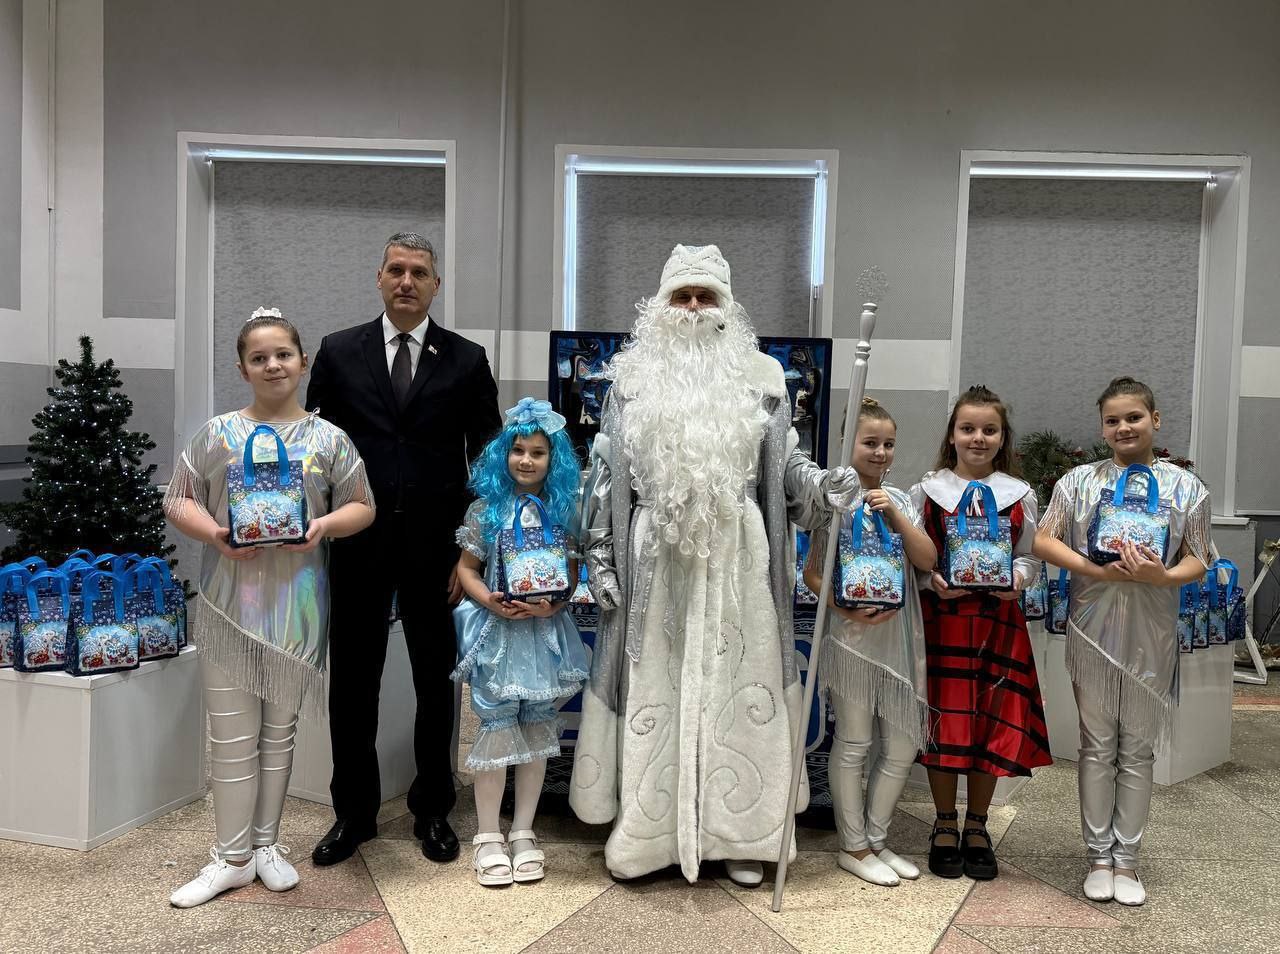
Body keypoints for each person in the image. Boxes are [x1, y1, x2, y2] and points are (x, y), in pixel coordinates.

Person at [569, 244, 853, 887]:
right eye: (683, 295)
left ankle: (742, 836)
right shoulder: (630, 380)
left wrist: (820, 487)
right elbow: (605, 479)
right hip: (656, 560)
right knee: (655, 692)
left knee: (741, 691)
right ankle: (649, 836)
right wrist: (602, 558)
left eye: (706, 296)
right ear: (662, 304)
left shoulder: (763, 378)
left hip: (739, 562)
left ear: (726, 306)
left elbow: (783, 467)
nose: (694, 307)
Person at [164, 308, 375, 907]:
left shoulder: (329, 439)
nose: (272, 365)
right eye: (259, 358)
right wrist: (215, 534)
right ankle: (229, 857)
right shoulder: (216, 435)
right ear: (242, 369)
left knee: (279, 736)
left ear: (302, 362)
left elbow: (363, 505)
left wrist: (322, 526)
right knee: (232, 738)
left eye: (283, 354)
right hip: (230, 608)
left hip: (298, 610)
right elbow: (178, 499)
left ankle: (265, 847)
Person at [306, 232, 501, 866]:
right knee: (352, 683)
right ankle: (352, 812)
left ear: (436, 285)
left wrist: (469, 554)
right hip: (356, 545)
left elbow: (488, 465)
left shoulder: (467, 360)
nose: (407, 281)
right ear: (379, 278)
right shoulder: (338, 352)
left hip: (435, 551)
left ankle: (434, 808)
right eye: (396, 270)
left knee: (434, 682)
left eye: (419, 272)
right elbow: (316, 451)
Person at [1034, 376, 1210, 906]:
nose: (1123, 428)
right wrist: (1094, 569)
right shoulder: (1078, 482)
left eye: (1133, 417)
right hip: (1092, 628)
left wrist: (1164, 576)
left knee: (1137, 748)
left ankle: (1127, 861)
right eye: (1112, 420)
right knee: (1096, 744)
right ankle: (1097, 857)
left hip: (1152, 631)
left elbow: (1201, 558)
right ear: (1102, 427)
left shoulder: (1187, 488)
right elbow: (1043, 539)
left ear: (1155, 419)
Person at [910, 385, 1051, 882]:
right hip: (943, 621)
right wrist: (931, 581)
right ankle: (944, 823)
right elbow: (913, 558)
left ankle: (977, 825)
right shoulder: (926, 491)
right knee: (944, 721)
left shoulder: (1020, 494)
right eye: (967, 428)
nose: (978, 438)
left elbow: (1030, 556)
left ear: (1002, 437)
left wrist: (1018, 580)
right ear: (951, 435)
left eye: (989, 430)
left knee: (992, 721)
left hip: (999, 623)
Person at [452, 398, 589, 885]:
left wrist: (553, 605)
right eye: (518, 450)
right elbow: (467, 570)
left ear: (554, 460)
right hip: (498, 637)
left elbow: (569, 577)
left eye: (538, 452)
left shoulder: (563, 511)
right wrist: (488, 600)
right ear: (502, 454)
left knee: (536, 728)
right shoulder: (485, 510)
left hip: (543, 634)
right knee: (496, 725)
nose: (526, 460)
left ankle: (524, 830)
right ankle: (488, 834)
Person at [803, 397, 935, 887]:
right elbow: (813, 574)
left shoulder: (904, 500)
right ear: (847, 443)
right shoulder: (832, 500)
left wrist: (896, 515)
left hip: (900, 639)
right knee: (855, 742)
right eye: (870, 442)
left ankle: (878, 840)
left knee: (901, 746)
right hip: (852, 638)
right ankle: (852, 845)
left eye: (888, 444)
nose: (880, 452)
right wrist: (844, 608)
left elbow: (927, 559)